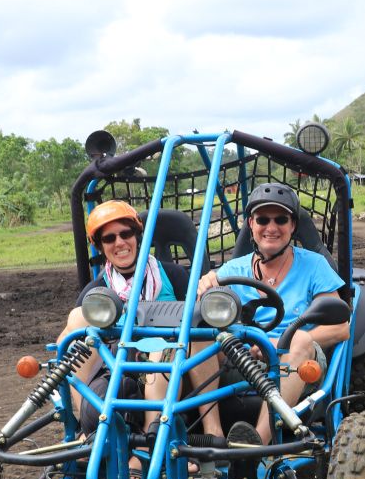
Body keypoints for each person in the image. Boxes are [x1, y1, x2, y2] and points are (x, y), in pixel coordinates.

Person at [191, 182, 349, 445]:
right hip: (240, 359)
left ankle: (258, 443)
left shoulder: (314, 265)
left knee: (299, 339)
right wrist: (206, 284)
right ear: (251, 224)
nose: (272, 228)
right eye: (263, 219)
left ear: (293, 225)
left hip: (298, 363)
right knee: (199, 333)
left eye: (281, 219)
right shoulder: (233, 270)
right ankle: (212, 432)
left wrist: (280, 344)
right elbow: (207, 311)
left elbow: (340, 327)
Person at [57, 200, 181, 434]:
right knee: (76, 321)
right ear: (101, 246)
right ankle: (88, 426)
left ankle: (151, 436)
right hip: (116, 365)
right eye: (109, 238)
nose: (120, 243)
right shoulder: (96, 291)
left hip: (168, 361)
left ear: (137, 237)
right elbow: (69, 339)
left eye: (126, 234)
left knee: (160, 351)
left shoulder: (172, 275)